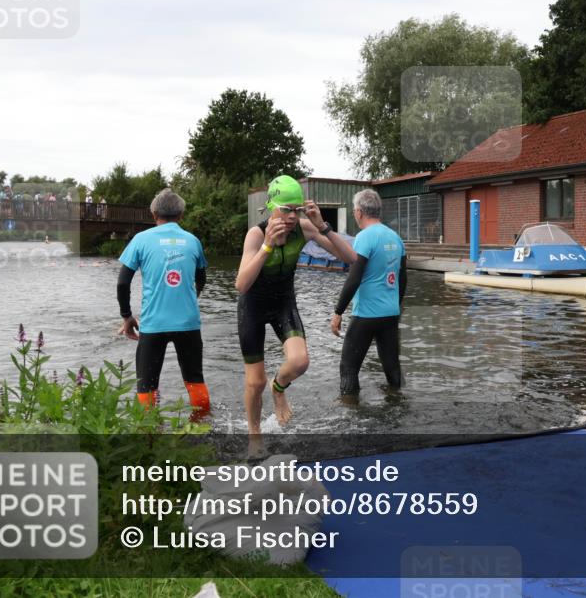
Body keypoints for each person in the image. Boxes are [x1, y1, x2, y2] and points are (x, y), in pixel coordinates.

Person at [235, 175, 356, 442]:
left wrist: (322, 226)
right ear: (272, 206)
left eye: (296, 210)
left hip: (283, 303)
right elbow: (242, 285)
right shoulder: (256, 234)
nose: (291, 217)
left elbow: (350, 258)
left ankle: (279, 388)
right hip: (253, 307)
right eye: (286, 209)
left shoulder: (304, 229)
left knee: (300, 361)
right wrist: (267, 246)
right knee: (255, 383)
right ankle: (254, 437)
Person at [116, 188, 211, 421]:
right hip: (188, 324)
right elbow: (202, 278)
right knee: (195, 379)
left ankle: (151, 435)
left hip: (152, 325)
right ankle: (199, 427)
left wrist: (127, 317)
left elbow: (122, 283)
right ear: (181, 215)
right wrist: (188, 300)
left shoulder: (140, 240)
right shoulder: (193, 241)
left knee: (146, 385)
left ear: (153, 213)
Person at [332, 189, 407, 398]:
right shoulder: (396, 237)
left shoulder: (364, 238)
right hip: (390, 314)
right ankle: (397, 403)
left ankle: (350, 410)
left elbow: (354, 278)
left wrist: (338, 312)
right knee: (392, 368)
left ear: (359, 212)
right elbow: (403, 279)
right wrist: (395, 306)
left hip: (365, 315)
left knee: (348, 368)